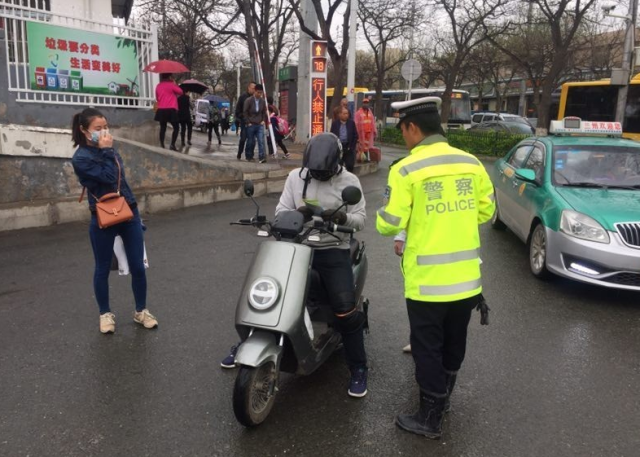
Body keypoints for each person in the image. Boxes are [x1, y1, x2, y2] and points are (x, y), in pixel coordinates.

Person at [376, 96, 495, 439]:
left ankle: (429, 418)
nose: (403, 138)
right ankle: (445, 398)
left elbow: (389, 223)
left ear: (413, 127)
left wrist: (387, 217)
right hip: (467, 280)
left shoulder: (407, 169)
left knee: (426, 348)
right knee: (454, 342)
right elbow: (486, 212)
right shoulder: (471, 164)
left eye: (403, 131)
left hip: (427, 284)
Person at [221, 133, 369, 397]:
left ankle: (358, 367)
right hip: (298, 245)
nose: (318, 175)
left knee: (345, 310)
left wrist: (337, 217)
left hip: (332, 248)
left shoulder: (350, 181)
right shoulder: (295, 177)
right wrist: (298, 214)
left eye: (323, 172)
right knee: (267, 292)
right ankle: (249, 340)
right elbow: (281, 210)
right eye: (313, 171)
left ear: (336, 164)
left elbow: (359, 220)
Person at [71, 108, 158, 334]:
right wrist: (106, 151)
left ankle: (141, 311)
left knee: (138, 266)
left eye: (106, 127)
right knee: (101, 267)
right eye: (98, 129)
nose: (104, 132)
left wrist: (107, 151)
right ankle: (105, 314)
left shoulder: (110, 150)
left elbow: (121, 180)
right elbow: (109, 179)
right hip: (102, 215)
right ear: (84, 130)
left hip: (128, 211)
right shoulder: (81, 158)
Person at [154, 73, 183, 150]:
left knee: (163, 127)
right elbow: (180, 92)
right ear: (170, 76)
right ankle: (172, 145)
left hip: (161, 109)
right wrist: (174, 83)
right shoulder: (171, 85)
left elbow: (157, 98)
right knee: (176, 127)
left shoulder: (158, 86)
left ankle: (162, 144)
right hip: (171, 109)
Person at [243, 83, 268, 163]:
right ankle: (249, 156)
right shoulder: (249, 100)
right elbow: (245, 112)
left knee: (260, 140)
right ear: (255, 91)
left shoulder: (262, 101)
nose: (259, 94)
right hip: (251, 124)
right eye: (258, 92)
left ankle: (261, 157)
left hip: (259, 124)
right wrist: (248, 122)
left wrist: (263, 120)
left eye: (261, 93)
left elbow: (264, 112)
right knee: (251, 141)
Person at [330, 107, 358, 172]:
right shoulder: (335, 123)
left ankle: (348, 179)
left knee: (350, 165)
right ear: (339, 114)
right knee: (339, 165)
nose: (346, 115)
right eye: (344, 114)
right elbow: (332, 135)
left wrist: (352, 146)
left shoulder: (351, 123)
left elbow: (355, 135)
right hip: (339, 147)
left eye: (347, 113)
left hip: (349, 147)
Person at [235, 82, 256, 159]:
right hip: (244, 121)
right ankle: (239, 153)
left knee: (252, 140)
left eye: (255, 88)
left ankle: (250, 155)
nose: (254, 90)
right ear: (249, 88)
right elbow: (238, 110)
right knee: (243, 138)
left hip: (253, 121)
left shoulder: (255, 98)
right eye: (252, 88)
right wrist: (241, 118)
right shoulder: (243, 97)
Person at [354, 98, 377, 162]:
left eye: (367, 103)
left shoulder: (370, 113)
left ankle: (365, 158)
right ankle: (359, 159)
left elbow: (373, 122)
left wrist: (374, 131)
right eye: (364, 103)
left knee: (367, 147)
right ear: (362, 104)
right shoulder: (358, 113)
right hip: (361, 133)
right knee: (360, 146)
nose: (365, 104)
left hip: (368, 133)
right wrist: (356, 133)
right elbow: (356, 123)